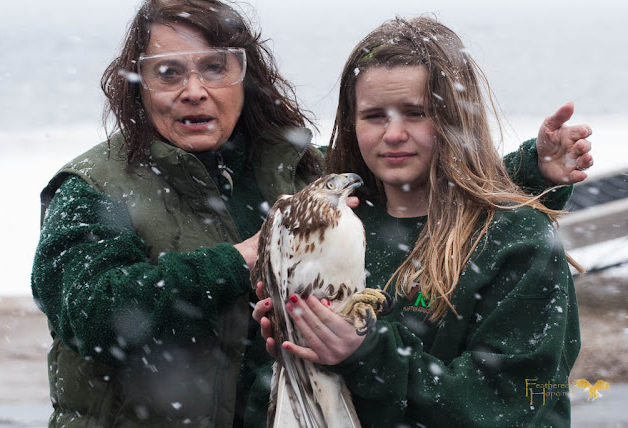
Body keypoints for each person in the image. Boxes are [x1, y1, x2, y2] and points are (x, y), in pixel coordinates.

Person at [30, 0, 591, 425]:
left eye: (214, 67)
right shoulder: (96, 188)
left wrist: (530, 175)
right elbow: (88, 313)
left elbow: (406, 175)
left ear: (244, 77)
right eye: (168, 72)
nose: (193, 90)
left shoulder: (292, 167)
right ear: (138, 83)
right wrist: (236, 263)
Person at [250, 16, 591, 427]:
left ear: (455, 120)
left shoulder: (519, 241)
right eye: (374, 115)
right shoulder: (326, 218)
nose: (393, 134)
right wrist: (292, 342)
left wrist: (366, 356)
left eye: (415, 113)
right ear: (350, 121)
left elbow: (507, 404)